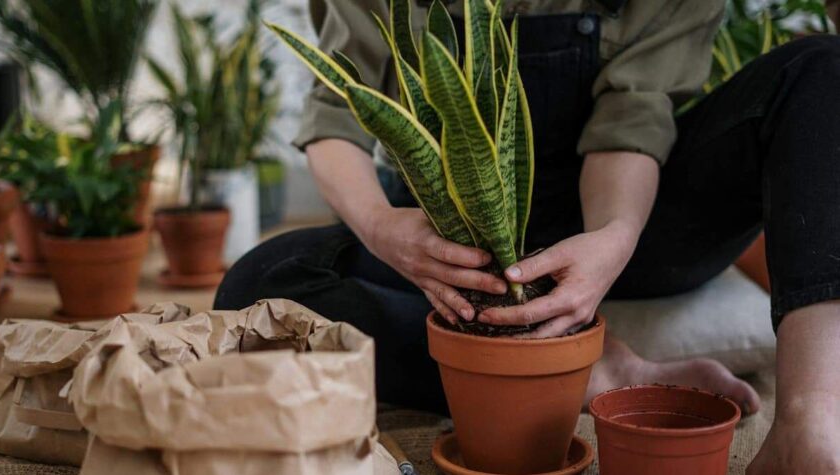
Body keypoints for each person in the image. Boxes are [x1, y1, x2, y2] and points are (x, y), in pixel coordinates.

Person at [215, 1, 840, 472]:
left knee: (819, 71)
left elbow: (632, 117)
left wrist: (614, 239)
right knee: (259, 284)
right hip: (460, 243)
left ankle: (812, 423)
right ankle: (590, 373)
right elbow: (338, 113)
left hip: (636, 223)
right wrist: (382, 229)